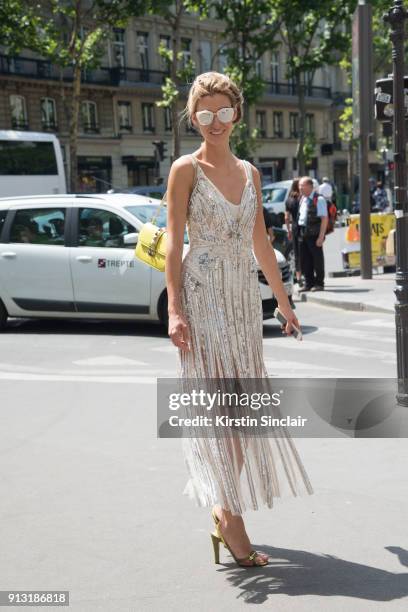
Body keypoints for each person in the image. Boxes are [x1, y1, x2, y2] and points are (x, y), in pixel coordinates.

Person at [165, 71, 314, 569]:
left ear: (238, 113)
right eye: (205, 113)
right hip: (203, 297)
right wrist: (174, 308)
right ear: (193, 117)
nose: (215, 121)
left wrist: (285, 303)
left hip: (242, 301)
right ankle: (230, 517)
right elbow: (173, 241)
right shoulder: (185, 170)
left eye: (224, 111)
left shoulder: (250, 173)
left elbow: (261, 244)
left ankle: (223, 507)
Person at [297, 176, 328, 292]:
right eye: (299, 185)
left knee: (317, 259)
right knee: (306, 260)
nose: (300, 188)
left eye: (302, 186)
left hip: (314, 234)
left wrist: (321, 236)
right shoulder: (302, 199)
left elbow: (324, 219)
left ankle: (319, 283)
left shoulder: (318, 199)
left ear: (310, 186)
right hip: (303, 233)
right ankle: (308, 283)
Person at [285, 178, 302, 285]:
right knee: (307, 253)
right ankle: (309, 276)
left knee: (297, 254)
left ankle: (299, 277)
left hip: (295, 227)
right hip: (304, 227)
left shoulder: (289, 199)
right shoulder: (302, 198)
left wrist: (289, 230)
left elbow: (286, 217)